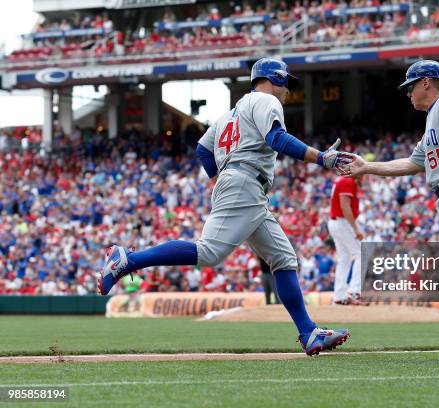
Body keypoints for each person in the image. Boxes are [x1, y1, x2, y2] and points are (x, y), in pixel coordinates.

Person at [98, 57, 353, 356]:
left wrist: (222, 178)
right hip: (245, 183)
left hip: (245, 186)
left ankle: (308, 332)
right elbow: (277, 139)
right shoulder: (266, 101)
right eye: (286, 84)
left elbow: (203, 149)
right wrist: (321, 157)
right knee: (208, 252)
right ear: (277, 79)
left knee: (284, 259)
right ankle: (128, 259)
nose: (288, 91)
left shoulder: (231, 112)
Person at [344, 60, 439, 363]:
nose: (408, 92)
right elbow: (413, 163)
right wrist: (368, 167)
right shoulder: (432, 122)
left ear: (426, 82)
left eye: (410, 85)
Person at [328, 174, 366, 305]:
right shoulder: (348, 181)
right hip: (342, 222)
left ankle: (339, 296)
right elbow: (345, 206)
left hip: (337, 222)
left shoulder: (344, 180)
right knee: (362, 253)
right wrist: (355, 228)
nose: (364, 176)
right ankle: (354, 292)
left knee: (344, 258)